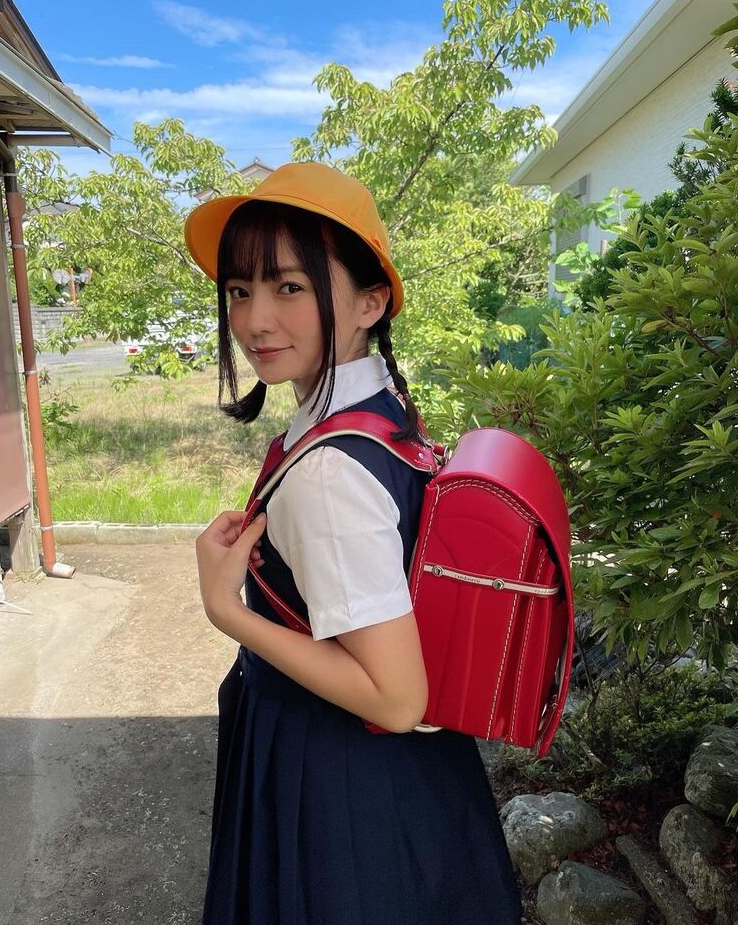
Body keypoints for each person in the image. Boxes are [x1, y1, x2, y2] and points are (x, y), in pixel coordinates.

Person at [187, 162, 523, 925]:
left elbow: (397, 699)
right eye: (239, 290)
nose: (255, 320)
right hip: (410, 778)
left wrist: (227, 609)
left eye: (289, 287)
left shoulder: (328, 472)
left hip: (336, 779)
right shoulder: (380, 411)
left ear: (371, 302)